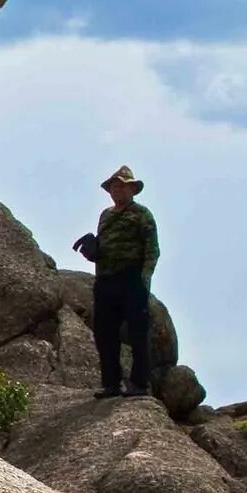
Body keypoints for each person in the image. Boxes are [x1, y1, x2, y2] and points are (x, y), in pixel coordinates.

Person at [73, 165, 161, 399]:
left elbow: (152, 249)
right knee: (104, 333)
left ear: (132, 189)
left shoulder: (142, 214)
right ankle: (111, 384)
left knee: (138, 333)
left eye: (121, 186)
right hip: (106, 280)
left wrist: (145, 278)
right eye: (113, 187)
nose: (117, 190)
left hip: (131, 278)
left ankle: (140, 384)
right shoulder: (106, 215)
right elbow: (103, 246)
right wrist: (93, 251)